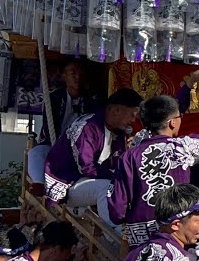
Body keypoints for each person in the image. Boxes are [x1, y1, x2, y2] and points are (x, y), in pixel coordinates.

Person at [108, 94, 199, 245]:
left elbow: (117, 209)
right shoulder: (185, 148)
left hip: (142, 239)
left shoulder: (129, 156)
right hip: (178, 232)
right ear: (172, 123)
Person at [43, 89, 143, 220]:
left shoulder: (119, 133)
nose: (133, 120)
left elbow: (115, 165)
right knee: (107, 188)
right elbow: (86, 168)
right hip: (68, 182)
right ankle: (113, 230)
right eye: (132, 115)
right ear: (117, 110)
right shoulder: (88, 127)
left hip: (90, 180)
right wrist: (117, 177)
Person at [27, 61, 101, 183]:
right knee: (36, 154)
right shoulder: (54, 98)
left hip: (82, 148)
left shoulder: (92, 99)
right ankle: (40, 185)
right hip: (55, 143)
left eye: (80, 73)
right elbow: (48, 127)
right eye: (73, 73)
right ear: (64, 76)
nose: (78, 77)